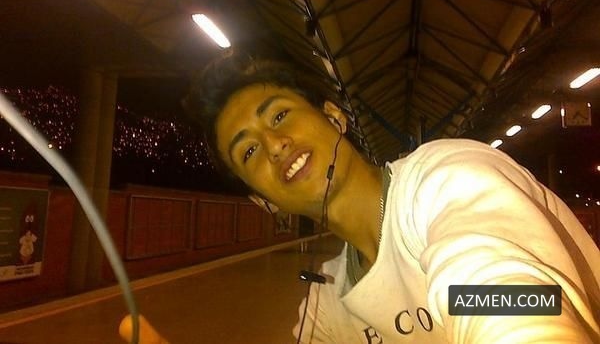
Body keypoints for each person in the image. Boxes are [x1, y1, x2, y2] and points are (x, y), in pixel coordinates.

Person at [120, 53, 600, 343]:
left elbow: (502, 292)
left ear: (334, 117)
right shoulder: (326, 308)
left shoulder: (442, 180)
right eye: (248, 151)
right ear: (264, 202)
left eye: (279, 116)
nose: (274, 145)